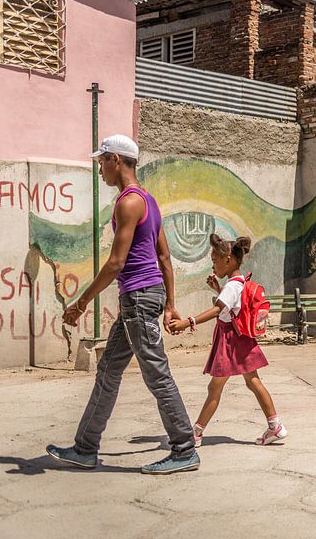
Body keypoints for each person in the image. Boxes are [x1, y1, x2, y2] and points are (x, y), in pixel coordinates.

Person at [46, 134, 200, 475]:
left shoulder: (128, 203)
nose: (100, 169)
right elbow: (164, 256)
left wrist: (82, 302)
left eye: (102, 162)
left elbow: (116, 262)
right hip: (145, 297)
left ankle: (184, 449)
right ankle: (85, 448)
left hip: (139, 298)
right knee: (109, 370)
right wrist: (170, 302)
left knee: (157, 376)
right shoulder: (150, 200)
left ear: (117, 160)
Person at [169, 234, 287, 447]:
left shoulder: (232, 286)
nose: (213, 265)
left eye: (214, 260)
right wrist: (217, 288)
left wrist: (188, 322)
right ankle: (275, 426)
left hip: (231, 342)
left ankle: (195, 433)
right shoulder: (238, 282)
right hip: (240, 340)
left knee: (215, 388)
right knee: (253, 382)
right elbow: (232, 306)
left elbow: (218, 310)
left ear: (228, 260)